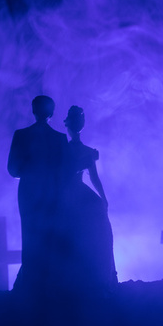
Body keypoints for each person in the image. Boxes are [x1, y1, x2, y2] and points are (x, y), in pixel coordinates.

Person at [7, 95, 68, 299]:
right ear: (52, 112)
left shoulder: (21, 135)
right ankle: (49, 285)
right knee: (50, 235)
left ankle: (31, 287)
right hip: (52, 192)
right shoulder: (59, 138)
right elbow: (64, 171)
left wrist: (31, 171)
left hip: (29, 191)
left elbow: (12, 169)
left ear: (33, 110)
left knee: (30, 235)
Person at [59, 106, 117, 298]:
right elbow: (65, 175)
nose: (74, 127)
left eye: (77, 123)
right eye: (74, 123)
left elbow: (94, 178)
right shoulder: (67, 150)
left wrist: (103, 199)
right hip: (66, 193)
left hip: (76, 192)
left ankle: (102, 274)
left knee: (100, 216)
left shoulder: (86, 151)